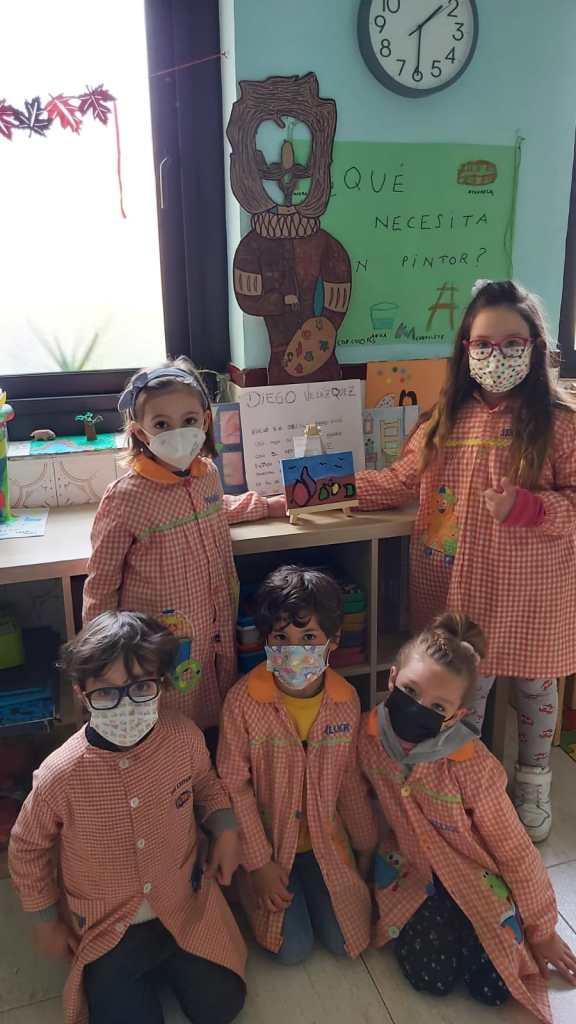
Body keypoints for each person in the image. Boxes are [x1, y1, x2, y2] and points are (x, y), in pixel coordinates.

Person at [356, 280, 576, 842]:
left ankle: (532, 782)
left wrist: (529, 507)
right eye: (483, 344)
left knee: (535, 687)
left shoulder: (561, 422)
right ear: (465, 350)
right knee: (463, 690)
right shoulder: (446, 419)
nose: (496, 357)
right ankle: (462, 780)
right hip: (458, 585)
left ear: (535, 348)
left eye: (512, 344)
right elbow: (398, 480)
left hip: (531, 588)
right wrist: (313, 489)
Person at [9, 611, 246, 1024]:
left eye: (141, 687)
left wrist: (225, 828)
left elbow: (206, 784)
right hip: (107, 926)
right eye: (107, 692)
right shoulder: (60, 775)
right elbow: (27, 848)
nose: (126, 704)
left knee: (221, 1007)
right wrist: (45, 919)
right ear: (82, 692)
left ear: (162, 684)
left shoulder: (183, 736)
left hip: (182, 904)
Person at [355, 613, 576, 1023]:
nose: (418, 708)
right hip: (411, 871)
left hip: (474, 874)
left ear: (455, 715)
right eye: (411, 691)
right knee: (430, 978)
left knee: (493, 988)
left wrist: (543, 930)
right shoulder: (369, 738)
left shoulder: (472, 768)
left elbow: (515, 851)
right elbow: (359, 799)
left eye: (438, 706)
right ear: (392, 678)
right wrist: (362, 858)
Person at [82, 357, 285, 741]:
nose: (178, 432)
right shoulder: (126, 497)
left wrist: (269, 504)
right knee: (169, 721)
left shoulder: (207, 474)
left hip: (214, 630)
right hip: (161, 643)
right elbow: (101, 583)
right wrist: (102, 658)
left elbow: (215, 509)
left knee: (213, 713)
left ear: (205, 421)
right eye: (162, 424)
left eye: (189, 420)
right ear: (141, 432)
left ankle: (207, 761)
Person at [217, 565, 374, 965]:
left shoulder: (345, 701)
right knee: (292, 948)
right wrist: (259, 863)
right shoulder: (242, 703)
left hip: (325, 840)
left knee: (346, 939)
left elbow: (350, 781)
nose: (293, 649)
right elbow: (234, 787)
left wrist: (366, 844)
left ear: (333, 641)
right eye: (281, 638)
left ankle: (313, 879)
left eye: (308, 638)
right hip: (270, 845)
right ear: (266, 641)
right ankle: (253, 886)